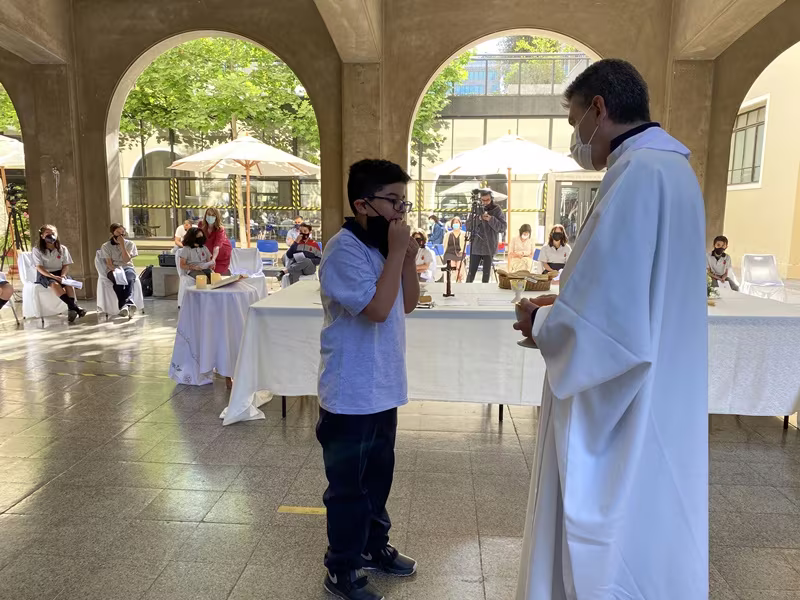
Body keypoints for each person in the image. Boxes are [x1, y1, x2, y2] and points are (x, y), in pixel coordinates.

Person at [512, 59, 707, 600]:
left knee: (612, 538)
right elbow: (631, 293)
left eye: (574, 120)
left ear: (598, 109)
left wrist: (543, 320)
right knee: (654, 522)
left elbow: (606, 331)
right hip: (665, 382)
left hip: (627, 400)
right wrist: (564, 304)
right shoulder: (673, 170)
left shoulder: (637, 174)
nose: (576, 138)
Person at [317, 159, 419, 600]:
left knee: (378, 477)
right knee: (349, 489)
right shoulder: (343, 250)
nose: (400, 212)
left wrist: (406, 259)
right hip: (350, 393)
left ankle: (374, 547)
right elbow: (376, 310)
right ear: (362, 204)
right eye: (392, 201)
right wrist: (396, 253)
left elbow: (407, 303)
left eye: (404, 202)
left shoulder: (381, 246)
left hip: (383, 387)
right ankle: (341, 568)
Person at [32, 224, 86, 323]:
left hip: (60, 273)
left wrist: (63, 275)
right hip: (45, 274)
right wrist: (53, 276)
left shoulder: (62, 249)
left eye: (53, 233)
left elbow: (66, 265)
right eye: (47, 233)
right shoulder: (37, 249)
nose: (50, 235)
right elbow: (39, 267)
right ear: (42, 236)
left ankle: (71, 310)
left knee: (68, 284)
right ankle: (76, 308)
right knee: (55, 284)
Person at [466, 189, 506, 283]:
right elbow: (468, 226)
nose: (485, 202)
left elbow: (502, 227)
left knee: (486, 274)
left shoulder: (497, 210)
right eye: (483, 200)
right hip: (476, 245)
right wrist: (479, 218)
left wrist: (491, 219)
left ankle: (485, 289)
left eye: (487, 200)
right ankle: (467, 288)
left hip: (490, 245)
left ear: (491, 199)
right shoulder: (475, 209)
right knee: (471, 272)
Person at [198, 207, 232, 275]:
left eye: (213, 215)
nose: (210, 217)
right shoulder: (201, 225)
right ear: (205, 215)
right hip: (208, 252)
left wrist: (213, 259)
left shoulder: (220, 229)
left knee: (216, 274)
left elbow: (216, 247)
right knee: (205, 273)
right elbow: (199, 240)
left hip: (221, 253)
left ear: (216, 217)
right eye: (208, 214)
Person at [443, 216, 467, 282]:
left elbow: (466, 244)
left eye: (457, 222)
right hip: (449, 253)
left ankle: (459, 279)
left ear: (460, 224)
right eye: (454, 222)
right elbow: (444, 245)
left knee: (459, 265)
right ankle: (456, 279)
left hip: (460, 253)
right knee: (452, 265)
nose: (456, 224)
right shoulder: (447, 234)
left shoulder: (464, 234)